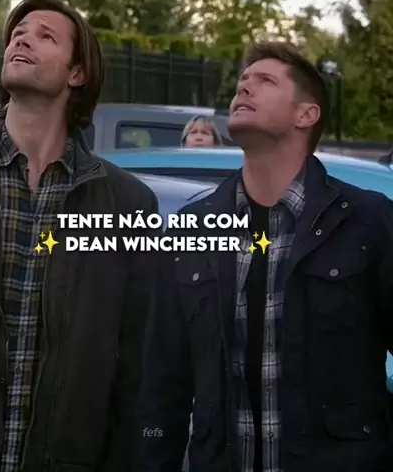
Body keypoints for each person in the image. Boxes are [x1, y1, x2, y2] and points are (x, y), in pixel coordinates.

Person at [0, 0, 159, 471]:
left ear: (77, 74)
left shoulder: (127, 203)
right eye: (18, 33)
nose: (22, 40)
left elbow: (136, 363)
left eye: (45, 36)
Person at [138, 41, 393, 472]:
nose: (244, 87)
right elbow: (163, 383)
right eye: (243, 80)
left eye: (266, 81)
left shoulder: (368, 222)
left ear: (306, 114)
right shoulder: (192, 229)